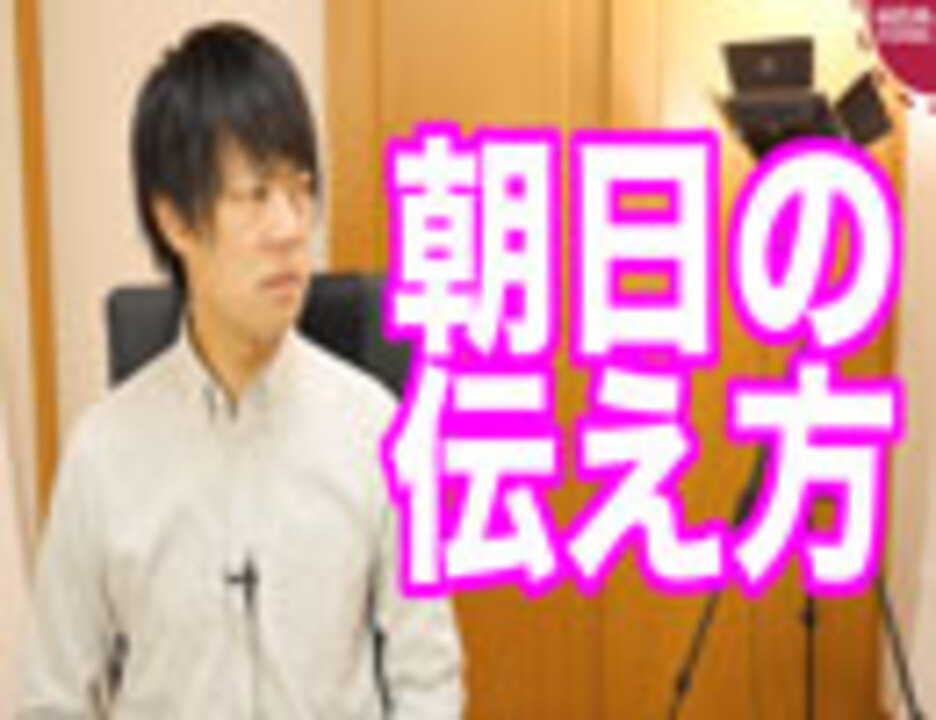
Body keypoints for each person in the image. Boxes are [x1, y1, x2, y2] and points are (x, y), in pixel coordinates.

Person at [18, 22, 464, 719]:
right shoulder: (102, 456)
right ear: (175, 220)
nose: (290, 228)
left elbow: (428, 678)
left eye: (301, 190)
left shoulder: (378, 430)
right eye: (255, 195)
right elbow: (51, 700)